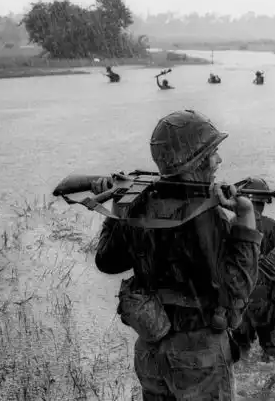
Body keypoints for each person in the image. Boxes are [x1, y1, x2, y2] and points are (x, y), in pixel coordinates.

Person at [90, 110, 263, 400]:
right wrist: (245, 217)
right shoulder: (207, 215)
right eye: (213, 153)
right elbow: (237, 288)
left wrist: (117, 209)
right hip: (198, 357)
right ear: (195, 160)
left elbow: (106, 261)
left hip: (150, 351)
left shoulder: (138, 203)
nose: (219, 160)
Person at [231, 177, 275, 366]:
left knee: (240, 349)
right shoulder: (271, 225)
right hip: (265, 298)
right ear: (262, 202)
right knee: (274, 351)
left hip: (240, 297)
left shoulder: (231, 223)